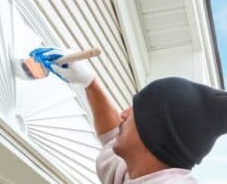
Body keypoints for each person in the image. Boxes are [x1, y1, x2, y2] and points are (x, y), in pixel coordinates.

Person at [30, 47, 227, 184]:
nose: (123, 114)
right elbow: (112, 133)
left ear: (153, 133)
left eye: (134, 112)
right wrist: (89, 82)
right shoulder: (137, 168)